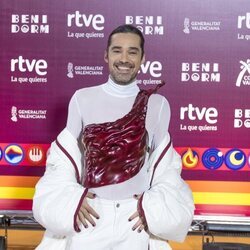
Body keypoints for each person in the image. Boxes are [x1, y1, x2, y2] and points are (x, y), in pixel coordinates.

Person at [33, 24, 194, 250]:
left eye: (132, 51)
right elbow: (62, 161)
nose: (124, 58)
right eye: (117, 50)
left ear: (143, 58)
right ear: (106, 55)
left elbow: (165, 168)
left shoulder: (159, 105)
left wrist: (153, 209)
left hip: (134, 222)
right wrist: (72, 202)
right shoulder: (82, 98)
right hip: (90, 216)